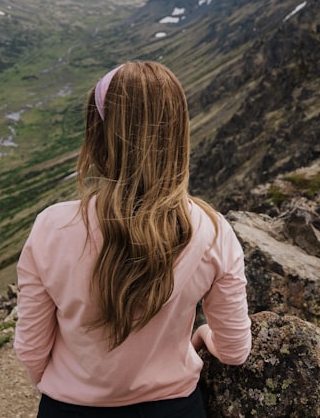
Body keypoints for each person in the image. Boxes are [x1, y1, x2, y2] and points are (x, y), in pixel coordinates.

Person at [14, 61, 252, 417]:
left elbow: (32, 351)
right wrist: (203, 336)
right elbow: (235, 350)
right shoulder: (213, 231)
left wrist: (68, 393)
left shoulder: (50, 227)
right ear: (178, 134)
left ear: (98, 136)